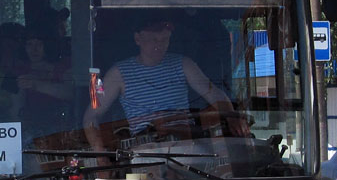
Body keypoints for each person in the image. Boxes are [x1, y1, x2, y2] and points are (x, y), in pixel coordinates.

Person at [84, 16, 248, 153]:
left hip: (185, 148)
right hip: (145, 151)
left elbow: (214, 94)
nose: (159, 45)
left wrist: (231, 115)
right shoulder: (119, 73)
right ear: (137, 39)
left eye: (165, 39)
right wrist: (100, 156)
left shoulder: (183, 64)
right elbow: (91, 116)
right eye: (154, 39)